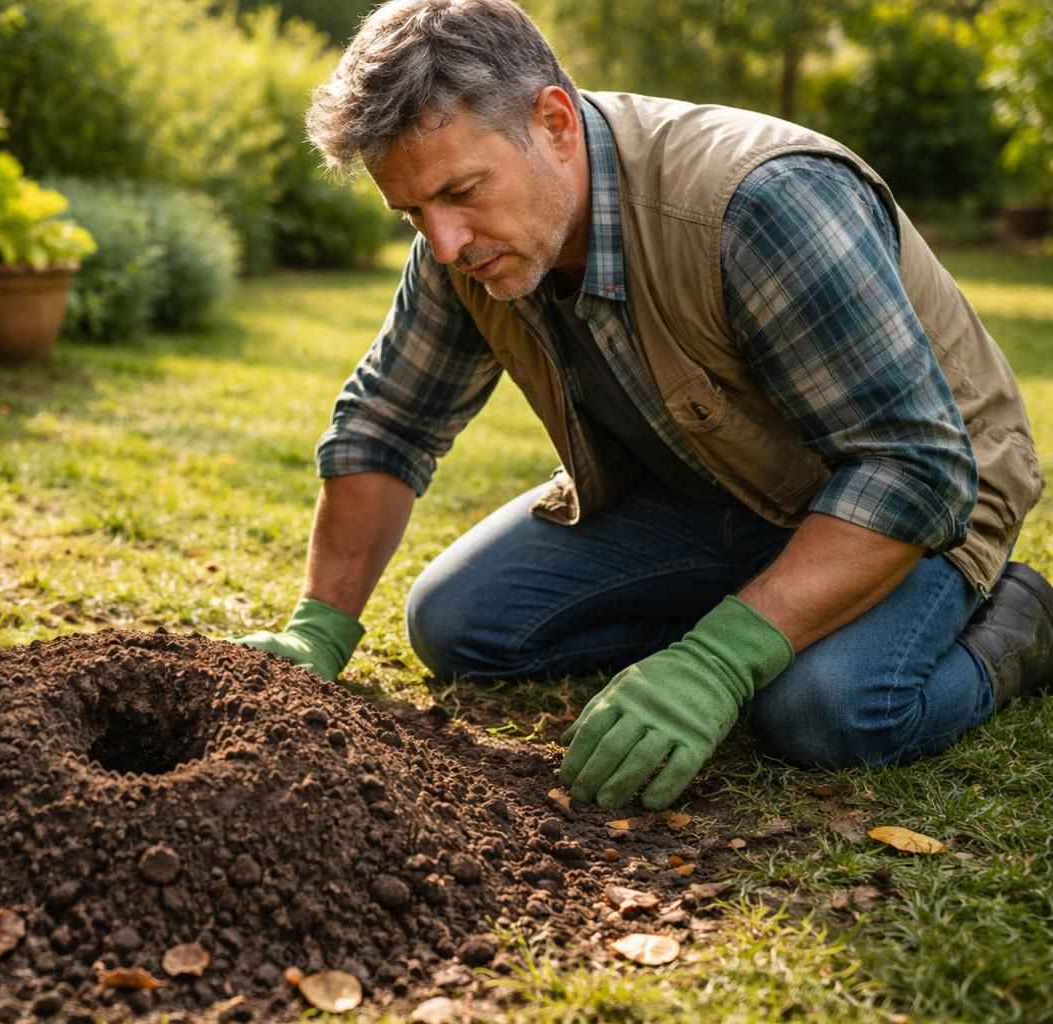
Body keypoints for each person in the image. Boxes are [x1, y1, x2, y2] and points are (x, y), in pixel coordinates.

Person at [230, 0, 1053, 810]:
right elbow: (389, 422)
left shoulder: (761, 202)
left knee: (822, 712)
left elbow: (913, 468)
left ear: (553, 121)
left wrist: (719, 661)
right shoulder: (466, 246)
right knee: (459, 625)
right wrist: (318, 627)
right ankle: (771, 601)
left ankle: (1022, 622)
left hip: (922, 497)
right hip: (711, 492)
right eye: (412, 212)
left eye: (461, 191)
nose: (444, 243)